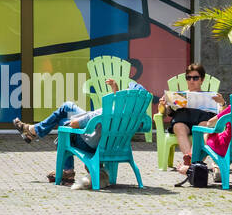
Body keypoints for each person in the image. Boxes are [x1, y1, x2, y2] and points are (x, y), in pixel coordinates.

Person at [14, 77, 146, 186]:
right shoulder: (136, 119)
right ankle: (33, 131)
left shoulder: (105, 111)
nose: (125, 91)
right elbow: (120, 113)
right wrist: (115, 90)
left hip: (90, 143)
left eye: (127, 90)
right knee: (67, 107)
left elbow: (75, 124)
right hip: (110, 144)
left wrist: (75, 121)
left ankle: (35, 133)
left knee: (63, 121)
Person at [164, 62, 223, 174]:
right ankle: (193, 162)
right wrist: (165, 105)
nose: (191, 81)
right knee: (178, 127)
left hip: (202, 119)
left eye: (195, 78)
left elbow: (221, 112)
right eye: (188, 78)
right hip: (183, 118)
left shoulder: (211, 95)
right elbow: (168, 113)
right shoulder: (179, 95)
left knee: (203, 128)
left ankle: (190, 161)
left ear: (202, 80)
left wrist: (222, 102)